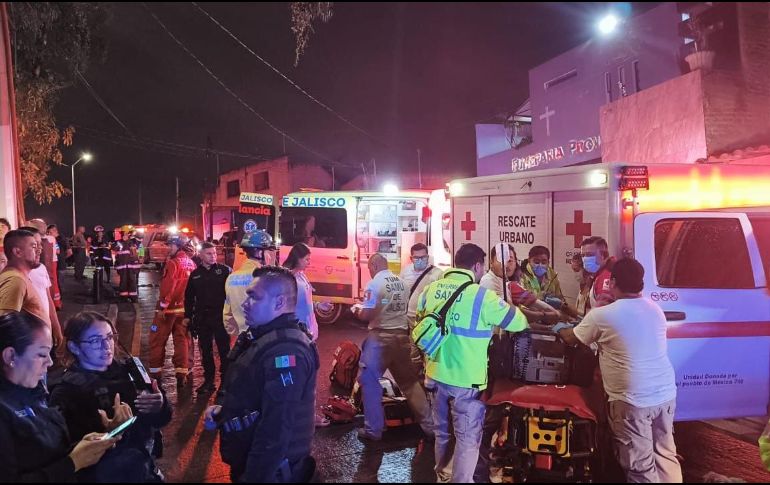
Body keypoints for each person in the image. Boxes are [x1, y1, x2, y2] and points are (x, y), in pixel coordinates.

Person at [554, 258, 682, 483]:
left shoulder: (603, 315)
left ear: (613, 282)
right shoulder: (655, 309)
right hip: (665, 394)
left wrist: (559, 327)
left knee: (640, 466)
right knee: (665, 455)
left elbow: (573, 338)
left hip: (632, 400)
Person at [415, 243, 529, 483]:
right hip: (467, 381)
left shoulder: (431, 289)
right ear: (477, 265)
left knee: (443, 435)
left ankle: (443, 479)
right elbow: (518, 322)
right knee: (467, 439)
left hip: (435, 376)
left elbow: (419, 321)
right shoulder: (481, 296)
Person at [205, 266, 319, 483]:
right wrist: (225, 410)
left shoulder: (287, 351)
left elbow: (275, 429)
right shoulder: (263, 337)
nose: (245, 304)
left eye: (254, 298)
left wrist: (254, 478)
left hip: (271, 474)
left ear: (278, 303)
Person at [50, 311, 171, 482]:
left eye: (109, 337)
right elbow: (64, 452)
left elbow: (161, 419)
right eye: (94, 341)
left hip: (144, 470)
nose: (106, 346)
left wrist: (160, 405)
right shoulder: (66, 392)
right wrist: (110, 433)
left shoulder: (130, 372)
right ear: (74, 347)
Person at [0, 311, 118, 481]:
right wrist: (72, 462)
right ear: (10, 356)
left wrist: (81, 447)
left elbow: (45, 454)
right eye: (41, 354)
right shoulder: (6, 409)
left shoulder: (34, 393)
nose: (49, 362)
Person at [352, 253, 432, 442]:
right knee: (410, 384)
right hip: (402, 337)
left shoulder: (374, 284)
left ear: (373, 266)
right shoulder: (401, 282)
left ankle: (374, 430)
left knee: (369, 381)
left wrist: (356, 310)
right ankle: (430, 427)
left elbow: (368, 314)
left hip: (380, 338)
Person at [184, 242, 231, 395]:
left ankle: (225, 382)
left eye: (214, 253)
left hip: (220, 318)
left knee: (224, 351)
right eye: (209, 253)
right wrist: (188, 317)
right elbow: (189, 298)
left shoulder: (224, 271)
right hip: (203, 319)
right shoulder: (195, 274)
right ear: (201, 255)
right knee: (206, 351)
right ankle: (209, 381)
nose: (213, 256)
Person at [148, 237, 196, 387]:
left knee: (156, 339)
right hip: (183, 310)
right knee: (182, 340)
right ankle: (182, 372)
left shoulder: (173, 263)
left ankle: (155, 374)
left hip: (167, 311)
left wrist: (163, 306)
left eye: (171, 246)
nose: (169, 248)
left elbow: (169, 286)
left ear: (178, 246)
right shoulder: (191, 263)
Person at [0, 230, 62, 345]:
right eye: (33, 246)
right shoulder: (15, 280)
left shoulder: (20, 277)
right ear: (17, 252)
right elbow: (6, 327)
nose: (39, 250)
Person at [480, 243, 560, 325]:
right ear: (491, 262)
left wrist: (556, 313)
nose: (506, 264)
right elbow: (508, 312)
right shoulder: (489, 281)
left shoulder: (507, 284)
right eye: (501, 260)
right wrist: (542, 316)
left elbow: (532, 301)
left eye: (510, 260)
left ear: (515, 263)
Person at [399, 243, 443, 374]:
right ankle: (416, 375)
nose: (420, 261)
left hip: (428, 320)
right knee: (413, 348)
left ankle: (429, 374)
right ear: (411, 258)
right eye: (416, 258)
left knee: (428, 348)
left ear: (428, 257)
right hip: (410, 317)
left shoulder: (437, 274)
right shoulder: (405, 271)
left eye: (423, 257)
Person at [17, 226, 64, 349]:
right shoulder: (14, 274)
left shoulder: (41, 269)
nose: (40, 249)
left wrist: (56, 327)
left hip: (45, 332)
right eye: (34, 245)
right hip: (25, 338)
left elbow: (48, 301)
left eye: (40, 244)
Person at [223, 230, 274, 336]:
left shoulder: (231, 278)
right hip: (265, 338)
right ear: (259, 252)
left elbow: (227, 315)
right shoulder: (266, 277)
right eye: (269, 251)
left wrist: (239, 336)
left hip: (243, 339)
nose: (271, 256)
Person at [521, 245, 578, 318]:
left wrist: (562, 306)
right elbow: (521, 304)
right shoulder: (522, 275)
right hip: (529, 317)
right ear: (529, 261)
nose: (540, 265)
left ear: (548, 262)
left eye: (544, 262)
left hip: (550, 317)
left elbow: (559, 297)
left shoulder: (552, 275)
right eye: (536, 262)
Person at [581, 236, 616, 310]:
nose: (585, 259)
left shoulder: (606, 276)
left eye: (589, 255)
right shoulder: (598, 273)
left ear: (603, 255)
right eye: (583, 255)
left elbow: (603, 312)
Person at [115, 232, 141, 302]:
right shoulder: (119, 243)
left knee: (132, 281)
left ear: (129, 236)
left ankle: (133, 297)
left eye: (126, 235)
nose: (124, 236)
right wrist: (117, 265)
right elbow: (117, 255)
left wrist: (138, 265)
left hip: (131, 267)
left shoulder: (134, 243)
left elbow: (139, 253)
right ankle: (124, 297)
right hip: (123, 267)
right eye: (123, 235)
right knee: (123, 282)